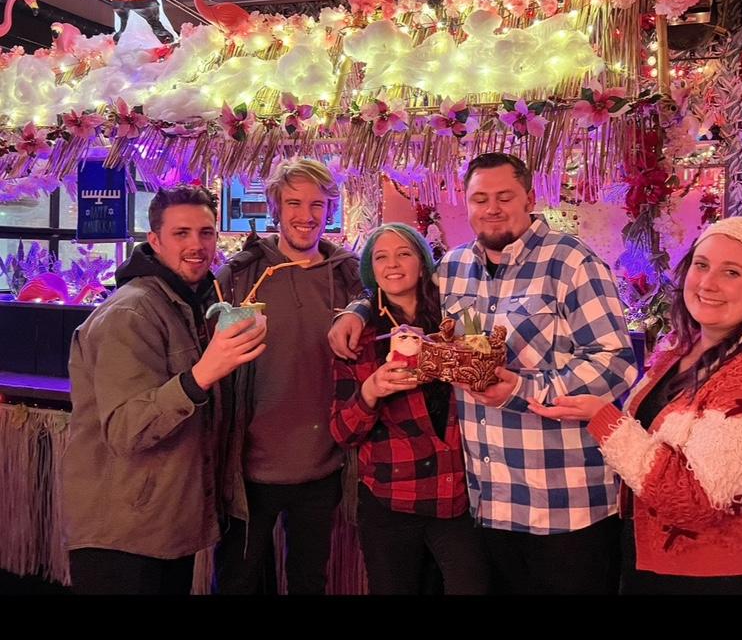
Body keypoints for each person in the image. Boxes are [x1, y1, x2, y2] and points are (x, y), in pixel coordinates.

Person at [330, 153, 637, 594]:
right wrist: (356, 310)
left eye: (504, 196)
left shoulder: (570, 263)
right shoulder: (454, 268)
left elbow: (615, 364)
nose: (492, 208)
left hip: (563, 505)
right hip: (488, 507)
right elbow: (396, 283)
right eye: (480, 199)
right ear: (468, 205)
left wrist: (524, 389)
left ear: (530, 198)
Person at [530, 216, 742, 594]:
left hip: (730, 578)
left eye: (731, 272)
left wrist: (603, 419)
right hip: (661, 561)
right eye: (701, 265)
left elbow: (698, 498)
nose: (707, 283)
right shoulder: (681, 348)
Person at [64, 184, 266, 594]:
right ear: (153, 240)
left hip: (165, 523)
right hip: (122, 533)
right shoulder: (131, 312)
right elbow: (126, 429)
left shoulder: (187, 303)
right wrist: (203, 374)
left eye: (206, 233)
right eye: (181, 233)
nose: (197, 245)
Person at [215, 158, 362, 595]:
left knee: (308, 581)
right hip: (248, 468)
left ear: (330, 209)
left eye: (317, 204)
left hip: (323, 465)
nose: (307, 215)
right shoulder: (238, 276)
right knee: (238, 581)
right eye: (294, 203)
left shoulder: (351, 280)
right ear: (276, 207)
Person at [330, 223, 489, 594]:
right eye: (380, 257)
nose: (393, 264)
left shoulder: (457, 317)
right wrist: (370, 391)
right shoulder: (360, 335)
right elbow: (342, 431)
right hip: (392, 499)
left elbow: (485, 368)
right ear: (371, 269)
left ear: (422, 262)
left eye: (404, 253)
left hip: (457, 495)